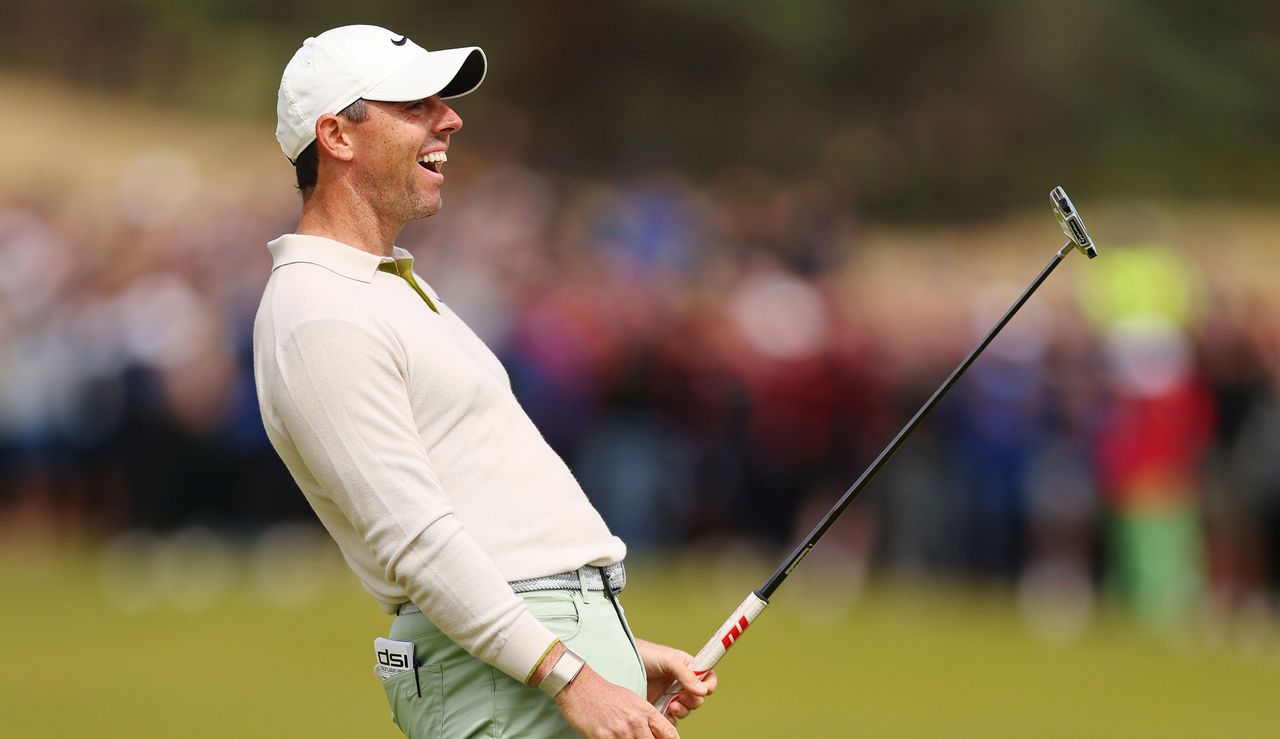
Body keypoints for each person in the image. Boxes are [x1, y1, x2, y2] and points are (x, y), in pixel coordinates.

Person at [254, 24, 715, 738]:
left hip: (530, 658)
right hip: (509, 680)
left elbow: (489, 511)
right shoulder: (318, 309)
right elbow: (415, 537)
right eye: (415, 105)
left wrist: (609, 648)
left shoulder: (381, 286)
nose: (450, 118)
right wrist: (570, 670)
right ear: (337, 137)